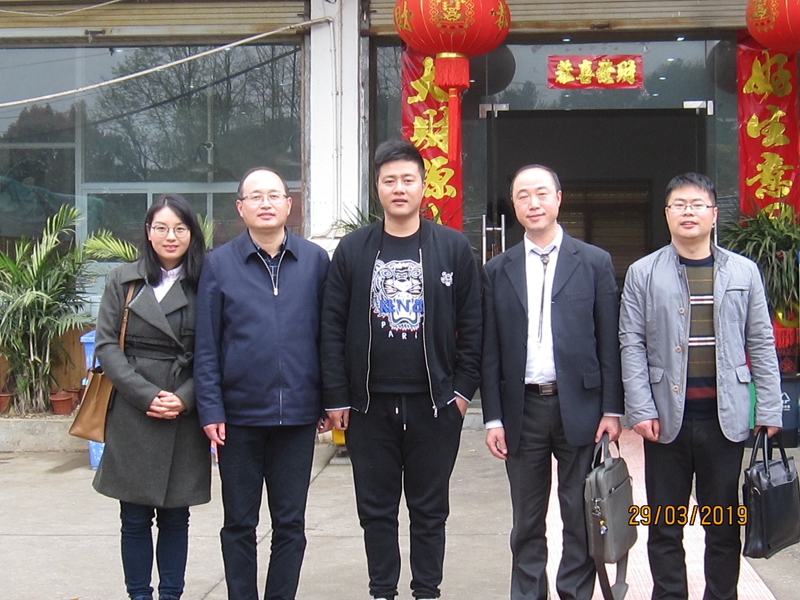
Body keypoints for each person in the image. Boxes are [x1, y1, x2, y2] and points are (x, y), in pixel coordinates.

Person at [321, 139, 482, 600]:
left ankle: (427, 591)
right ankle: (382, 592)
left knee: (430, 511)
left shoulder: (452, 247)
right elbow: (331, 326)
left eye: (407, 179)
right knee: (376, 511)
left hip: (435, 405)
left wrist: (462, 393)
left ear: (423, 185)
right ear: (377, 187)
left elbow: (474, 326)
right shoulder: (353, 250)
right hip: (368, 407)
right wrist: (337, 396)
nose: (399, 188)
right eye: (389, 180)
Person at [619, 172, 782, 600]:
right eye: (679, 205)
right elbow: (631, 343)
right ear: (667, 214)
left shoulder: (744, 272)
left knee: (722, 524)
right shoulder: (643, 273)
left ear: (713, 214)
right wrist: (640, 408)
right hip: (666, 421)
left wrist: (769, 408)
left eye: (697, 205)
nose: (687, 212)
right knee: (664, 524)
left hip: (725, 422)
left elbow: (760, 341)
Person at [481, 165, 623, 600]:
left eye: (542, 193)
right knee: (526, 521)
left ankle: (574, 593)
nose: (533, 203)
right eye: (523, 195)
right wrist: (493, 418)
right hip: (522, 409)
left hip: (580, 406)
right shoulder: (497, 270)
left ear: (559, 198)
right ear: (514, 205)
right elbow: (489, 350)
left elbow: (609, 341)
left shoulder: (594, 262)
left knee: (579, 514)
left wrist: (612, 409)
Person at [194, 167, 331, 600]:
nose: (265, 203)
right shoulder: (219, 264)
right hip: (238, 419)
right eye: (255, 196)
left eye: (274, 195)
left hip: (298, 417)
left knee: (290, 524)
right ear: (241, 208)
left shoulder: (314, 261)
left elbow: (327, 337)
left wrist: (328, 400)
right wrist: (211, 408)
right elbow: (207, 345)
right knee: (239, 522)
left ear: (290, 205)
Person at [93, 193, 211, 600]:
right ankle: (139, 594)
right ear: (148, 232)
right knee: (133, 517)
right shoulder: (123, 280)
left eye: (179, 228)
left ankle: (171, 594)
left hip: (183, 410)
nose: (170, 236)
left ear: (192, 233)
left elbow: (216, 349)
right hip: (133, 410)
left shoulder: (206, 281)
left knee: (176, 517)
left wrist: (185, 398)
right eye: (161, 227)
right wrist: (146, 396)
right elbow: (106, 346)